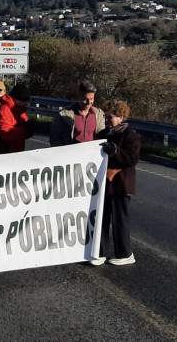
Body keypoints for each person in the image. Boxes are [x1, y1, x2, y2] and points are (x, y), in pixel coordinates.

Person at [91, 100, 141, 267]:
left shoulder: (131, 136)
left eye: (110, 117)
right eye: (105, 116)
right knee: (101, 220)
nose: (106, 120)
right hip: (103, 183)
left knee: (120, 221)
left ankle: (125, 253)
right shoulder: (102, 134)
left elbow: (131, 160)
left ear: (121, 117)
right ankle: (99, 252)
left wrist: (115, 151)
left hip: (121, 185)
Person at [50, 81, 105, 146]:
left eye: (91, 99)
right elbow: (54, 138)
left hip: (91, 154)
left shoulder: (99, 114)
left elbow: (102, 136)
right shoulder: (64, 115)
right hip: (71, 154)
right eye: (85, 99)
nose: (89, 102)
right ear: (79, 97)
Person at [0, 84, 32, 154]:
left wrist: (29, 129)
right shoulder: (4, 110)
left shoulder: (21, 112)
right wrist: (24, 131)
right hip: (4, 152)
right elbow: (6, 134)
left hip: (17, 152)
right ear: (17, 99)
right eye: (24, 101)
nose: (25, 103)